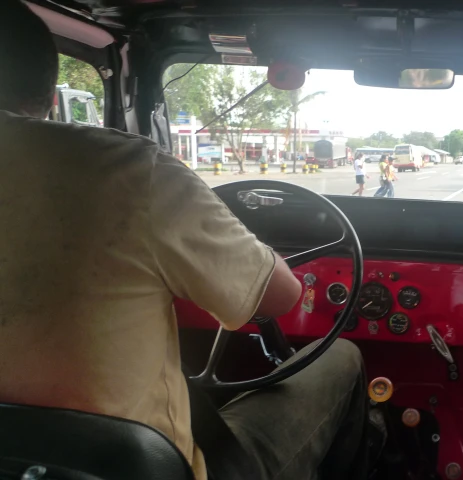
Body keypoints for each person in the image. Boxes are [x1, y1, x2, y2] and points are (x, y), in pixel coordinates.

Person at [0, 3, 368, 480]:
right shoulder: (130, 172)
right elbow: (280, 296)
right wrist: (258, 256)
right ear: (51, 97)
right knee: (343, 357)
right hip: (135, 469)